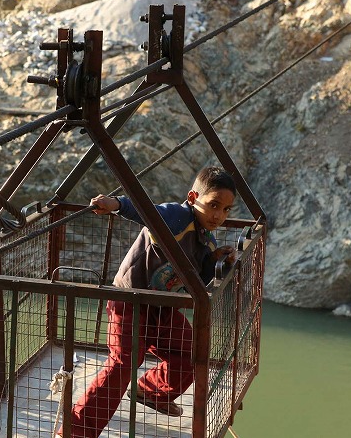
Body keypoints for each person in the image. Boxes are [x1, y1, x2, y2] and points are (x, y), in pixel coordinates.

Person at [63, 166, 237, 438]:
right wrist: (116, 204)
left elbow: (198, 283)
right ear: (193, 197)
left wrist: (216, 262)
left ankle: (150, 391)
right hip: (129, 302)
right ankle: (75, 433)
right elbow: (146, 210)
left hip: (162, 307)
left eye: (226, 210)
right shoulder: (177, 217)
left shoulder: (207, 240)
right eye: (213, 205)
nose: (219, 215)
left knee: (193, 351)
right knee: (123, 363)